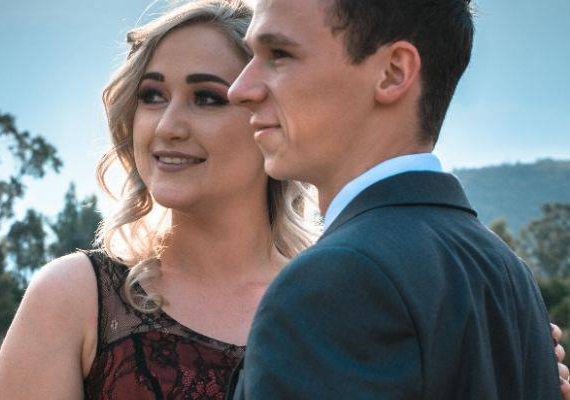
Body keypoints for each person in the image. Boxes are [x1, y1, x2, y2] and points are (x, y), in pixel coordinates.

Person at [0, 1, 569, 399]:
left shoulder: (339, 285)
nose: (167, 126)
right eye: (151, 94)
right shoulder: (77, 298)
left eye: (208, 98)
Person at [225, 0, 566, 398]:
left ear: (392, 73)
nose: (240, 89)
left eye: (279, 54)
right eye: (251, 56)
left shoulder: (334, 282)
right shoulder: (507, 271)